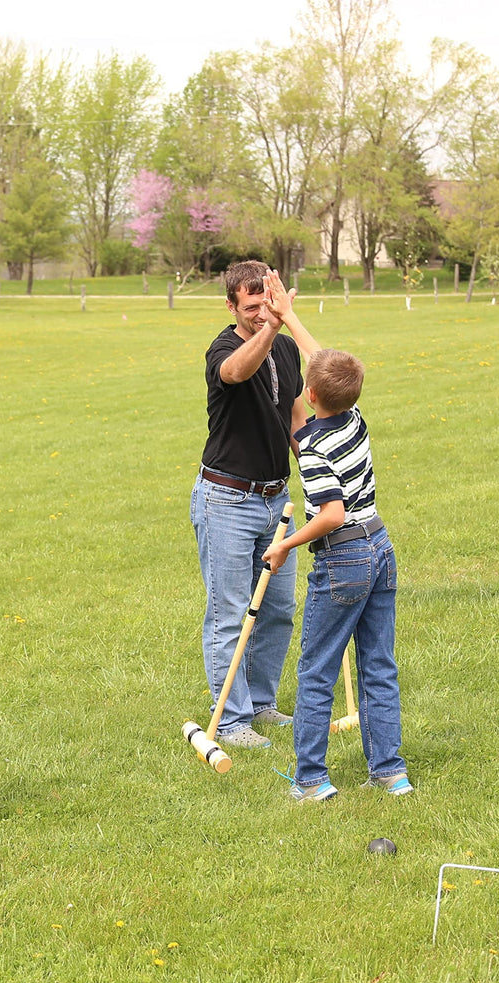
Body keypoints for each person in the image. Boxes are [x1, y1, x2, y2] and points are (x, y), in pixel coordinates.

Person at [261, 273, 410, 801]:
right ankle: (390, 772)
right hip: (382, 548)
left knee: (317, 670)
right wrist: (289, 316)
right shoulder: (354, 418)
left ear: (312, 391)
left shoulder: (316, 449)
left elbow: (330, 514)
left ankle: (311, 781)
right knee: (379, 665)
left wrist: (283, 545)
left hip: (344, 556)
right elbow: (321, 366)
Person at [191, 260, 306, 748]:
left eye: (268, 303)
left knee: (278, 609)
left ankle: (260, 704)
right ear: (232, 306)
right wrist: (275, 323)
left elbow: (296, 413)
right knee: (229, 612)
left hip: (275, 498)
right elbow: (236, 372)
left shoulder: (285, 346)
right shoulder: (224, 347)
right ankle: (232, 720)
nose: (262, 314)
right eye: (252, 306)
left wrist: (317, 471)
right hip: (227, 499)